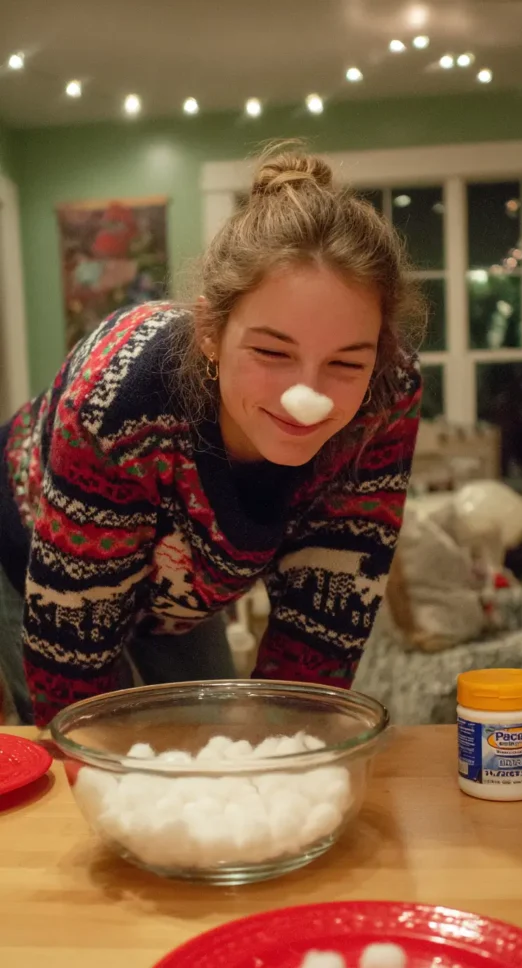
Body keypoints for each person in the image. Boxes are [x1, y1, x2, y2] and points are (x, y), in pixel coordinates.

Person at [0, 145, 424, 727]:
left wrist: (285, 753)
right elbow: (71, 676)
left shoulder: (387, 392)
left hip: (178, 594)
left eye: (346, 363)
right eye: (272, 351)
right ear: (209, 332)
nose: (309, 397)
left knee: (214, 738)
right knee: (106, 753)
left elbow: (327, 616)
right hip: (27, 556)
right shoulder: (120, 397)